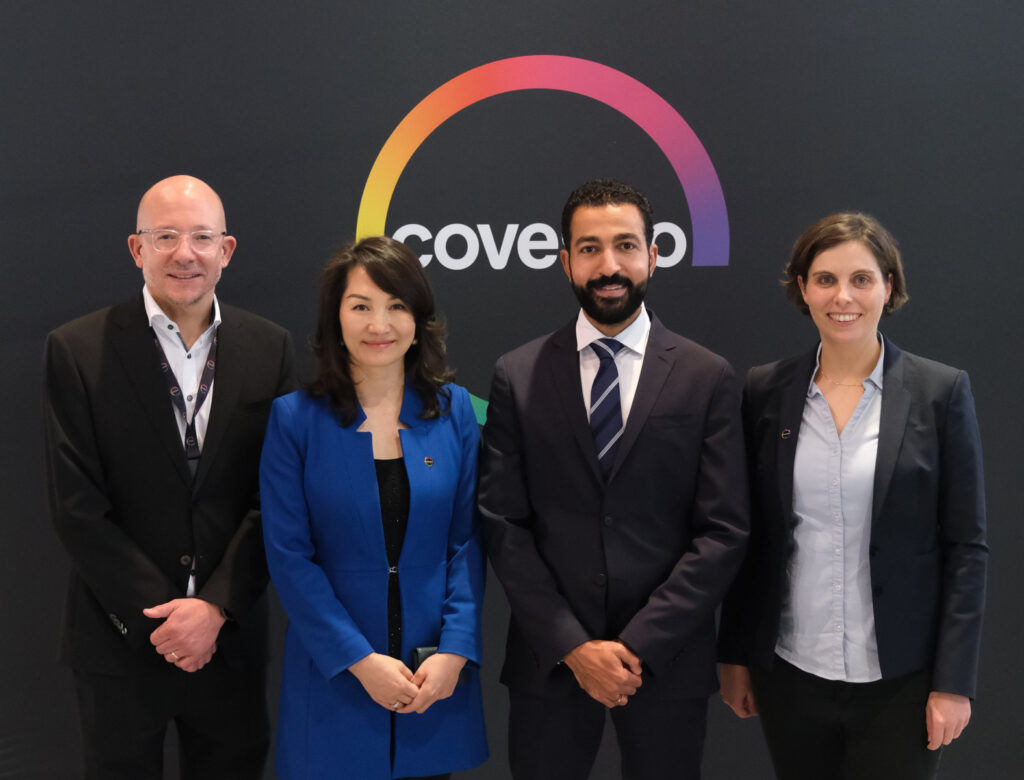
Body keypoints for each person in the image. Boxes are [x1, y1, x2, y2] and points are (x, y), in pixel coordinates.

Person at [478, 179, 749, 780]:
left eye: (625, 246)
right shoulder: (517, 374)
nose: (609, 266)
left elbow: (723, 530)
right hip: (551, 661)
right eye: (590, 248)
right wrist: (573, 646)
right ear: (565, 261)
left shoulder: (706, 375)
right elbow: (504, 523)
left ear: (653, 255)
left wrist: (639, 645)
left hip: (667, 662)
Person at [43, 175, 296, 779]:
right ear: (138, 248)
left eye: (202, 237)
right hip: (119, 640)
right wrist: (163, 618)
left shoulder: (271, 348)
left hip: (228, 643)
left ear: (226, 250)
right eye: (166, 237)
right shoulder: (77, 350)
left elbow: (277, 498)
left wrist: (214, 608)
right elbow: (76, 506)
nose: (186, 253)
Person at [718, 213, 987, 779]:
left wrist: (953, 683)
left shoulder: (940, 393)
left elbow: (966, 549)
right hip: (791, 674)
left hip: (902, 681)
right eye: (825, 279)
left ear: (889, 286)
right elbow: (753, 538)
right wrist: (735, 654)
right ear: (803, 288)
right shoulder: (765, 390)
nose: (843, 297)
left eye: (861, 279)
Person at [259, 236, 488, 780]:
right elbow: (290, 558)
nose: (379, 325)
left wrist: (455, 650)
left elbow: (466, 543)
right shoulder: (294, 419)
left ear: (419, 319)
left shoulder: (456, 411)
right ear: (335, 318)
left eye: (396, 306)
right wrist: (359, 661)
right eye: (360, 306)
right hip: (335, 679)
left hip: (430, 681)